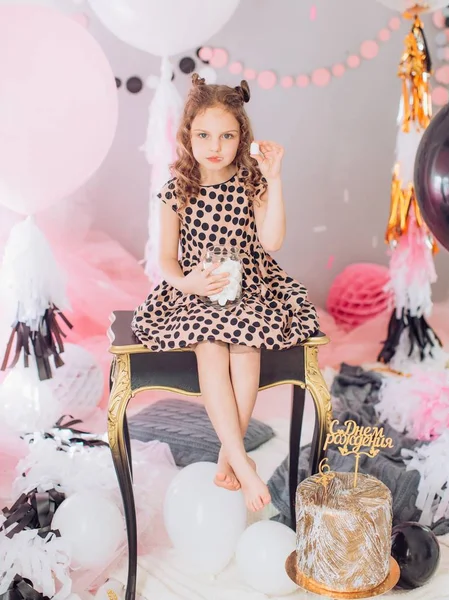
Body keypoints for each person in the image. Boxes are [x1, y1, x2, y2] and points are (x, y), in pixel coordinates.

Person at [132, 73, 319, 512]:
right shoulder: (176, 190)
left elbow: (272, 242)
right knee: (210, 343)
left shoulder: (250, 179)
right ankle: (241, 457)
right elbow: (166, 260)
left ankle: (227, 455)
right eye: (203, 134)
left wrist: (276, 180)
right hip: (199, 291)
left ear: (242, 137)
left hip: (250, 286)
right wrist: (187, 283)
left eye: (227, 135)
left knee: (245, 344)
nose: (215, 145)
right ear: (187, 135)